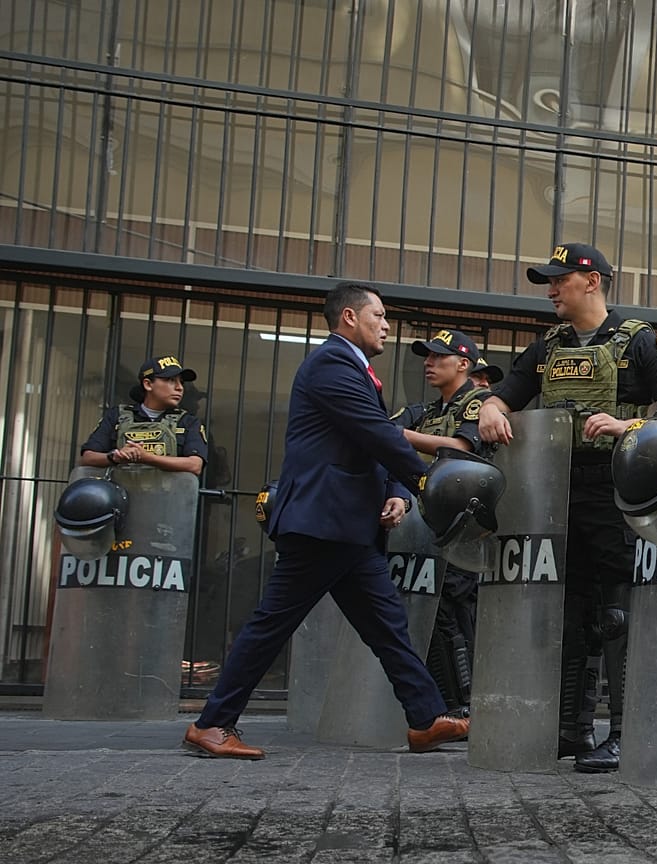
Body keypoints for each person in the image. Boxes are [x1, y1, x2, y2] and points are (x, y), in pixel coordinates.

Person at [183, 282, 469, 759]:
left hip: (349, 528)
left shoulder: (355, 369)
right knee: (272, 624)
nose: (386, 323)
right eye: (377, 314)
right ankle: (212, 724)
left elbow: (365, 443)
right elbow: (374, 433)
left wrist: (396, 491)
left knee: (387, 627)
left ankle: (424, 719)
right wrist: (425, 483)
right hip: (322, 523)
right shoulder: (331, 364)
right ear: (350, 318)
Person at [477, 243, 657, 773]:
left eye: (558, 280)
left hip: (619, 488)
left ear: (591, 282)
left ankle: (627, 731)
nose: (550, 290)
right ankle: (570, 726)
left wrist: (625, 427)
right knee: (571, 613)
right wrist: (491, 412)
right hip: (558, 492)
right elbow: (505, 394)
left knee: (617, 615)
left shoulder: (639, 342)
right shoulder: (547, 346)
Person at [401, 328, 496, 717]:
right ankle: (444, 700)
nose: (429, 362)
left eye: (439, 357)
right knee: (432, 613)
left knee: (456, 612)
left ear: (463, 364)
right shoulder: (426, 411)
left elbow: (462, 446)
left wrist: (402, 436)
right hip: (423, 526)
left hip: (464, 526)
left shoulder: (479, 402)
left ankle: (467, 703)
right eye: (427, 356)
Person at [79, 354, 208, 475]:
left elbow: (194, 465)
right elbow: (88, 458)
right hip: (120, 497)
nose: (179, 387)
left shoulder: (188, 422)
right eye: (171, 380)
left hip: (168, 498)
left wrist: (147, 458)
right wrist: (115, 457)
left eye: (181, 382)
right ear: (148, 384)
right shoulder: (116, 416)